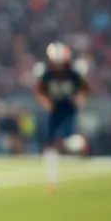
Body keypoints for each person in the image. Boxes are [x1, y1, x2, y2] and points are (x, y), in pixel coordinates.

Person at [34, 42, 90, 192]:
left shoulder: (73, 73)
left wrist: (79, 99)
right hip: (54, 109)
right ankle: (52, 181)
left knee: (63, 142)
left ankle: (80, 143)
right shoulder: (46, 74)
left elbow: (85, 88)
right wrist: (45, 102)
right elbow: (38, 90)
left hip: (68, 108)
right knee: (50, 145)